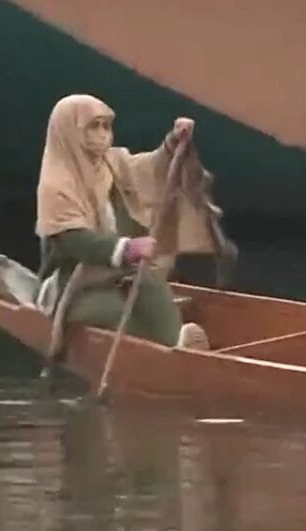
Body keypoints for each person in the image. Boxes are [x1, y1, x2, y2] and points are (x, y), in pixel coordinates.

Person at [34, 93, 210, 352]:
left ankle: (177, 343)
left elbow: (148, 168)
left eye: (106, 126)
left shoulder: (111, 162)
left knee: (152, 286)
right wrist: (127, 248)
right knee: (110, 309)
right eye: (93, 127)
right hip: (74, 280)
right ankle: (157, 350)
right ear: (70, 131)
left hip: (119, 270)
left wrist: (172, 143)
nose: (102, 134)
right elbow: (73, 239)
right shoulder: (57, 183)